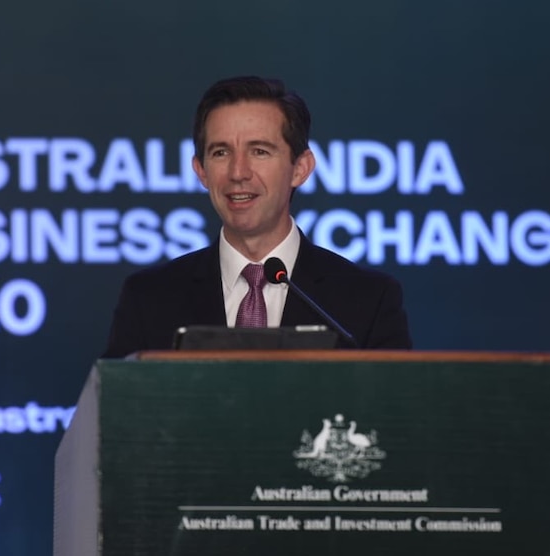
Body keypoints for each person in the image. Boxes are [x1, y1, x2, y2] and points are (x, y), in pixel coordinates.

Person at [102, 76, 412, 358]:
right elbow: (115, 413)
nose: (238, 173)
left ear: (300, 168)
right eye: (221, 153)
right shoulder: (149, 298)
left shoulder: (369, 300)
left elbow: (394, 415)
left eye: (259, 151)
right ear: (201, 171)